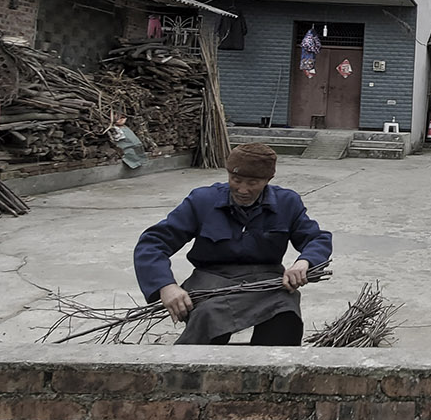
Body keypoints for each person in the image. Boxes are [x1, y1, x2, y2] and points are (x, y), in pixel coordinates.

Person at [133, 143, 332, 345]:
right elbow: (152, 243)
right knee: (209, 315)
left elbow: (317, 238)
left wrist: (305, 262)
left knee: (285, 312)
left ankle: (272, 371)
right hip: (211, 282)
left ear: (268, 180)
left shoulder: (287, 203)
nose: (243, 189)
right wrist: (166, 286)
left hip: (266, 282)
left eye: (253, 182)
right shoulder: (202, 200)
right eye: (236, 180)